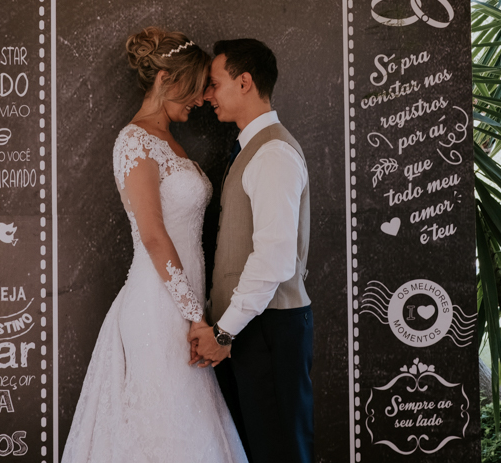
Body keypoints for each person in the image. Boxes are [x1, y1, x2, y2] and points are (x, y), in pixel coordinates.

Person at [62, 27, 247, 463]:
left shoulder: (171, 143)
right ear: (165, 79)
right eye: (195, 87)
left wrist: (199, 315)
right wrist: (194, 317)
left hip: (185, 308)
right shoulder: (134, 140)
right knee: (163, 428)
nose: (202, 98)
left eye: (206, 88)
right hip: (158, 307)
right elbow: (152, 235)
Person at [190, 38, 314, 463]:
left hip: (268, 330)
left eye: (215, 84)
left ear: (244, 83)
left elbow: (275, 258)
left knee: (278, 451)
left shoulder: (274, 153)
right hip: (249, 330)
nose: (208, 97)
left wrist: (225, 332)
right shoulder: (249, 149)